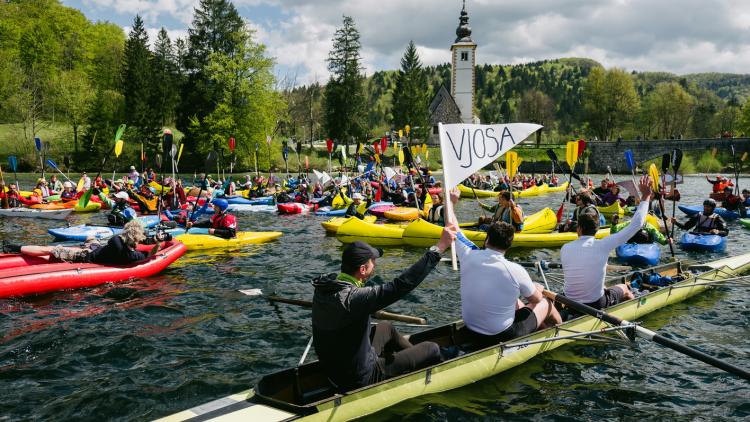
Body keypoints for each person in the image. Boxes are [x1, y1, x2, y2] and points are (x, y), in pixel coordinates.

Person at [312, 226, 455, 392]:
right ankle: (432, 364)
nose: (376, 264)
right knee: (432, 348)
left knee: (385, 327)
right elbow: (400, 285)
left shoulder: (326, 286)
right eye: (373, 261)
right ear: (363, 270)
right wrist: (439, 248)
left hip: (334, 370)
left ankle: (416, 360)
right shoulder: (355, 298)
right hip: (359, 377)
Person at [444, 189, 561, 348]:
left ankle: (544, 330)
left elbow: (453, 227)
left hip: (471, 327)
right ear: (509, 245)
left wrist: (450, 202)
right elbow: (536, 300)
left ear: (487, 241)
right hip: (501, 335)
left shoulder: (467, 254)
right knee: (546, 303)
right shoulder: (515, 270)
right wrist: (537, 288)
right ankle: (561, 332)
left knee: (517, 301)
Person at [560, 175, 654, 309]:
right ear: (597, 229)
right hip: (595, 304)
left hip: (569, 301)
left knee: (602, 286)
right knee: (624, 288)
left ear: (578, 229)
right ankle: (634, 310)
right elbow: (637, 223)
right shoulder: (603, 245)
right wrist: (646, 196)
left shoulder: (565, 248)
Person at [8, 220, 163, 264]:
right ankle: (16, 248)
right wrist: (157, 244)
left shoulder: (116, 240)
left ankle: (14, 248)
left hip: (87, 255)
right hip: (94, 251)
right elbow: (148, 255)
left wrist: (153, 242)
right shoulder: (131, 255)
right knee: (90, 239)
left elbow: (122, 242)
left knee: (50, 249)